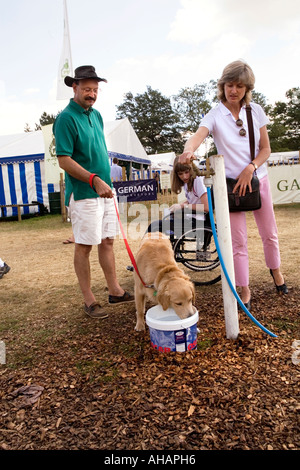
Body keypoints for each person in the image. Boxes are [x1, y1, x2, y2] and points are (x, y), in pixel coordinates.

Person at [178, 59, 288, 310]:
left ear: (247, 88)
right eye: (229, 84)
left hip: (258, 179)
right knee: (238, 241)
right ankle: (244, 288)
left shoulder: (256, 110)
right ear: (222, 85)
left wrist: (251, 168)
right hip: (229, 187)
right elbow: (198, 134)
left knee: (269, 234)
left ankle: (276, 273)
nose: (233, 90)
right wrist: (188, 150)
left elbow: (266, 149)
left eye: (239, 85)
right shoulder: (215, 114)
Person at [53, 65, 133, 319]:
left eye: (95, 89)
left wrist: (105, 182)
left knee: (108, 241)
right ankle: (89, 300)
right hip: (85, 192)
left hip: (104, 191)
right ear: (74, 87)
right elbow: (64, 160)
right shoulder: (66, 118)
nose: (92, 94)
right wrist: (93, 179)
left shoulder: (96, 115)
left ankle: (115, 290)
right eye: (87, 89)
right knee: (85, 245)